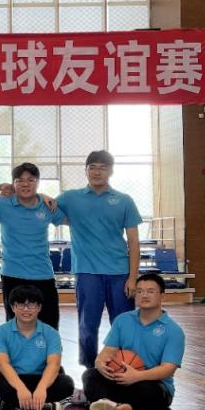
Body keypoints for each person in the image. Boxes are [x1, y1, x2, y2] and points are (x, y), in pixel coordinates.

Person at [56, 150, 142, 371]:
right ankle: (90, 371)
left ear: (111, 171)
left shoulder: (124, 200)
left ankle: (125, 367)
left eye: (102, 168)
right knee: (87, 325)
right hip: (87, 272)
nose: (97, 172)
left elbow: (133, 241)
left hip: (119, 273)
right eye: (92, 167)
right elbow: (42, 206)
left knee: (124, 324)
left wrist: (133, 278)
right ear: (85, 171)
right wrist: (12, 192)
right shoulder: (70, 198)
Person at [84, 273, 185, 410]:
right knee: (90, 375)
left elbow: (168, 369)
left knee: (146, 391)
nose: (144, 295)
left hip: (153, 383)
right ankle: (119, 408)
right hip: (121, 377)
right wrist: (100, 363)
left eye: (150, 291)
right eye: (139, 291)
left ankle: (103, 402)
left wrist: (137, 376)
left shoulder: (173, 331)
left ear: (162, 296)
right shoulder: (123, 320)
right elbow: (108, 352)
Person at [0, 162, 67, 329]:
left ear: (38, 182)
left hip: (43, 274)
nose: (25, 184)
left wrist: (43, 195)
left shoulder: (48, 205)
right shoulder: (3, 204)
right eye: (20, 180)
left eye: (30, 180)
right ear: (13, 184)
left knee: (49, 325)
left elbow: (71, 220)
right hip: (12, 275)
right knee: (15, 327)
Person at [0, 285, 74, 410]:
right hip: (13, 381)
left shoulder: (51, 333)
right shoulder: (0, 332)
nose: (26, 309)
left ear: (39, 307)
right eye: (20, 304)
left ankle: (11, 407)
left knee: (66, 382)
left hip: (40, 379)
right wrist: (20, 389)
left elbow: (53, 364)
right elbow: (3, 364)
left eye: (31, 305)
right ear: (13, 307)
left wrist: (42, 388)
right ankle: (43, 408)